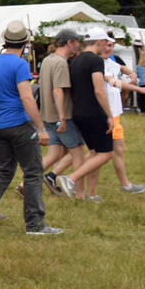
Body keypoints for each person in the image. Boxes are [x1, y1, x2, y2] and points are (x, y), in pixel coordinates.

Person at [0, 21, 60, 235]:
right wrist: (41, 128)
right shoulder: (20, 64)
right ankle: (35, 224)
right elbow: (26, 96)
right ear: (25, 42)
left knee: (3, 170)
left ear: (5, 40)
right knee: (33, 172)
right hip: (20, 124)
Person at [55, 29, 117, 200]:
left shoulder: (76, 60)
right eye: (105, 42)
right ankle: (70, 179)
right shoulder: (95, 60)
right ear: (98, 42)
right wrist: (109, 115)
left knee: (95, 152)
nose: (106, 46)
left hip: (78, 112)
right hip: (93, 112)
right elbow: (99, 90)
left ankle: (89, 193)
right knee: (107, 153)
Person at [38, 29, 87, 198]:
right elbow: (58, 90)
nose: (79, 45)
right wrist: (62, 117)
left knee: (54, 155)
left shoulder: (47, 60)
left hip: (46, 115)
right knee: (78, 153)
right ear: (70, 42)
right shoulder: (60, 63)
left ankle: (25, 183)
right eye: (77, 42)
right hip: (62, 116)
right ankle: (79, 193)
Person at [100, 40, 145, 194]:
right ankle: (70, 178)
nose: (109, 49)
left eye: (111, 46)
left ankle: (126, 184)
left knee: (117, 149)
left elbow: (120, 67)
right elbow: (115, 82)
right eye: (106, 45)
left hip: (115, 114)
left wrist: (131, 72)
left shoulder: (109, 61)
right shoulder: (98, 64)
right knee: (100, 152)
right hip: (107, 114)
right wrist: (140, 89)